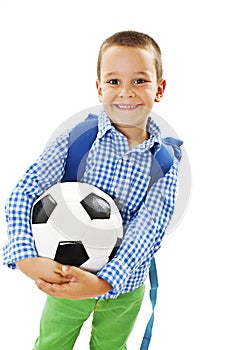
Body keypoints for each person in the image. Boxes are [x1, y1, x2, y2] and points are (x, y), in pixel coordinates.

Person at [3, 30, 180, 349]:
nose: (126, 92)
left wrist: (104, 281)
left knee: (112, 346)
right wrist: (24, 254)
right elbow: (26, 188)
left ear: (160, 88)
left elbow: (148, 230)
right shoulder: (79, 138)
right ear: (99, 89)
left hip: (125, 287)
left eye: (140, 81)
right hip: (66, 277)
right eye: (114, 82)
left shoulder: (164, 162)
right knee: (51, 344)